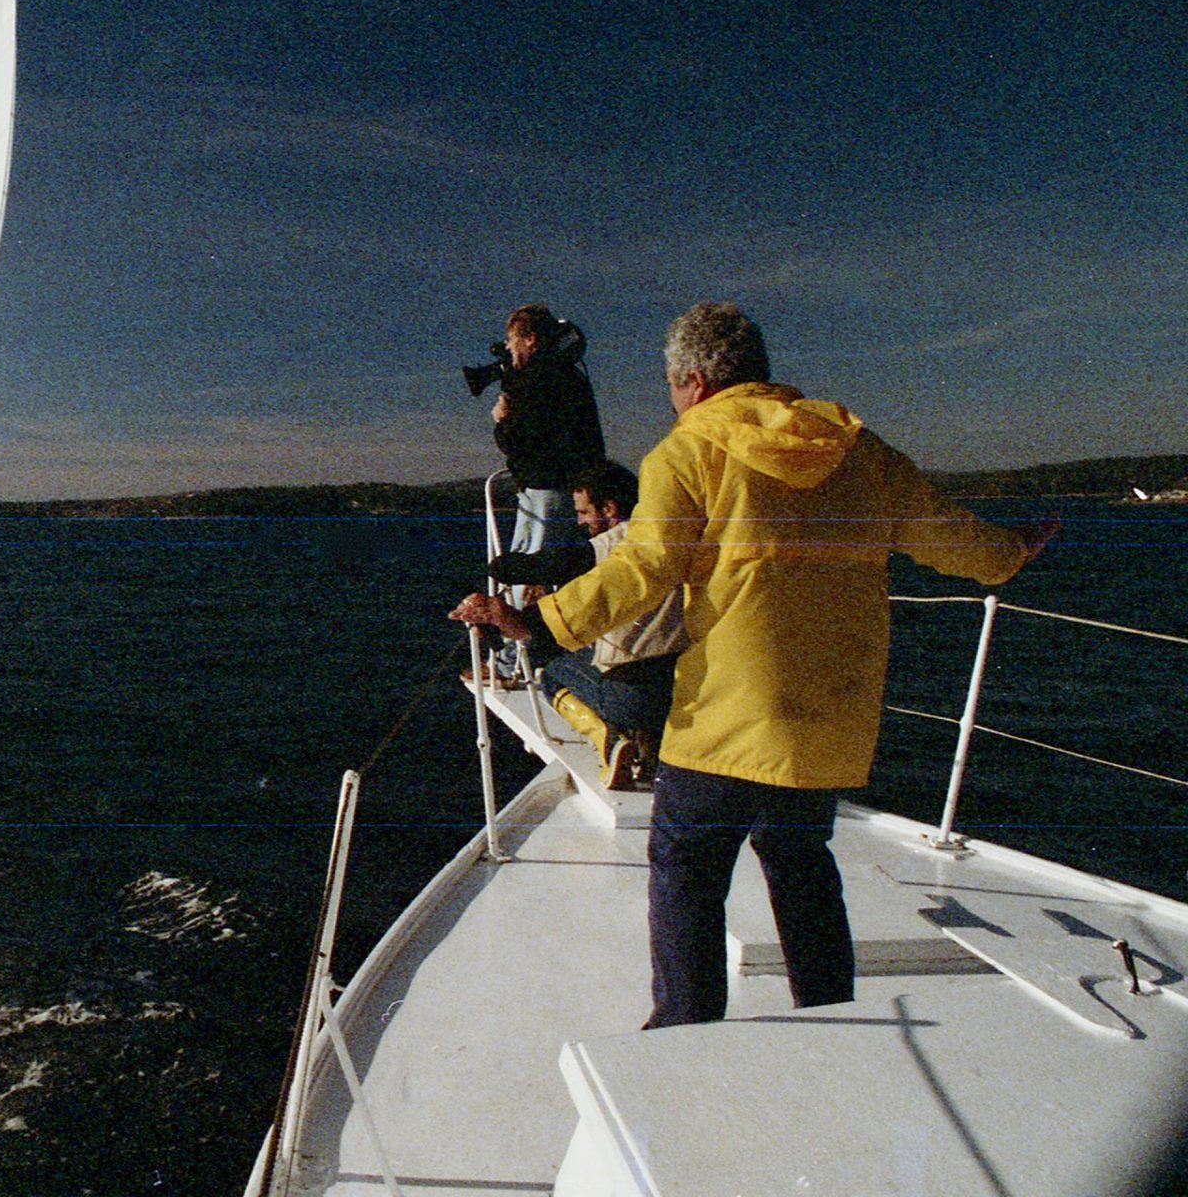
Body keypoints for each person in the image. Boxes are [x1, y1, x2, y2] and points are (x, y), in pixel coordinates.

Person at [451, 301, 1057, 1029]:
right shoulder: (858, 449)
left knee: (686, 868)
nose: (672, 400)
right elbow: (954, 538)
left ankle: (686, 1028)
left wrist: (541, 622)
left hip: (730, 717)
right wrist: (1011, 551)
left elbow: (642, 568)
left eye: (673, 386)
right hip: (828, 718)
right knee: (800, 867)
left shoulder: (689, 452)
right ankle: (828, 1021)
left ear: (697, 381)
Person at [488, 461, 686, 787]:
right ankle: (649, 750)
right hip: (681, 690)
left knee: (550, 671)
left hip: (632, 697)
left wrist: (499, 575)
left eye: (583, 512)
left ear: (609, 508)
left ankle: (607, 737)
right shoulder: (678, 538)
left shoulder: (617, 543)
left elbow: (548, 564)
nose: (579, 522)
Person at [487, 304, 606, 557]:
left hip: (545, 490)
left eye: (511, 339)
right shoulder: (569, 375)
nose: (508, 347)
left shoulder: (534, 380)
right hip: (574, 488)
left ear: (530, 339)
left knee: (531, 569)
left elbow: (519, 441)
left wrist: (502, 420)